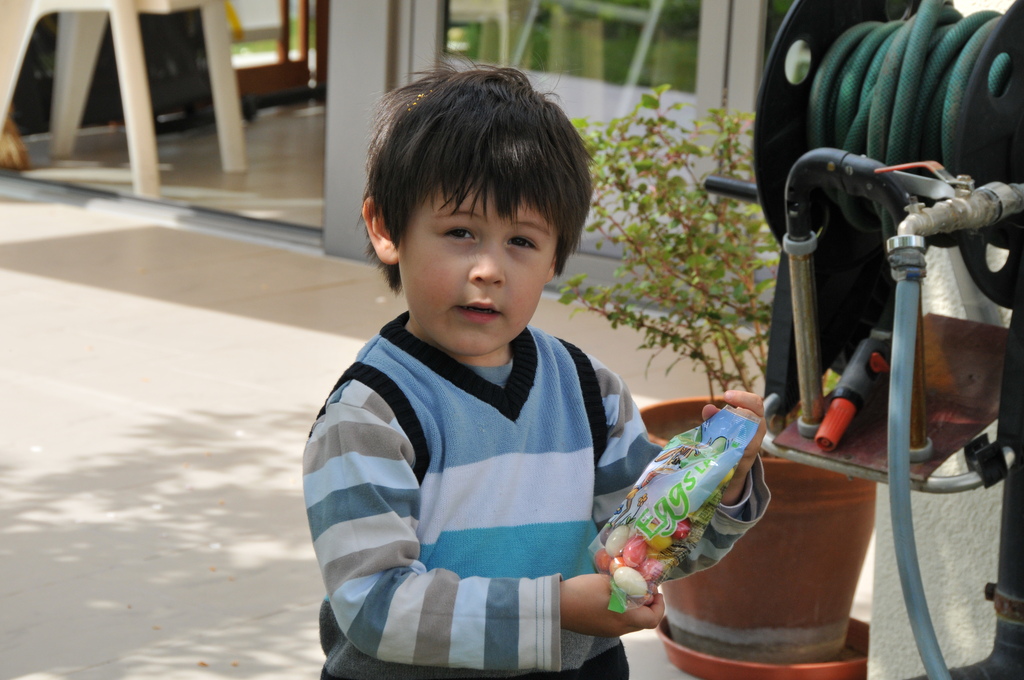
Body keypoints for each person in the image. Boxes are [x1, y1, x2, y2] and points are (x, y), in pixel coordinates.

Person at [303, 64, 770, 680]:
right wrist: (554, 610)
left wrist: (722, 484)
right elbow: (374, 606)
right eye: (460, 231)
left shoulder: (589, 390)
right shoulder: (371, 414)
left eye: (521, 241)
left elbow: (640, 549)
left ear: (555, 258)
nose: (489, 269)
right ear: (387, 229)